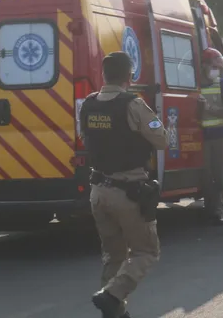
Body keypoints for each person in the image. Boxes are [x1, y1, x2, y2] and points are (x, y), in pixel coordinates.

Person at [81, 52, 168, 318]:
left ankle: (114, 313)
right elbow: (162, 139)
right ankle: (112, 295)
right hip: (128, 191)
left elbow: (85, 139)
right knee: (146, 251)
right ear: (130, 76)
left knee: (113, 255)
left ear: (104, 74)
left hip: (99, 191)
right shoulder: (134, 104)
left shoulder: (88, 104)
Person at [197, 47, 223, 226]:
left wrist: (207, 108)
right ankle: (209, 209)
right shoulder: (194, 85)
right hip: (202, 136)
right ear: (203, 66)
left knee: (220, 176)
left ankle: (218, 211)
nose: (216, 71)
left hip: (220, 135)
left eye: (218, 67)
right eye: (213, 66)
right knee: (205, 175)